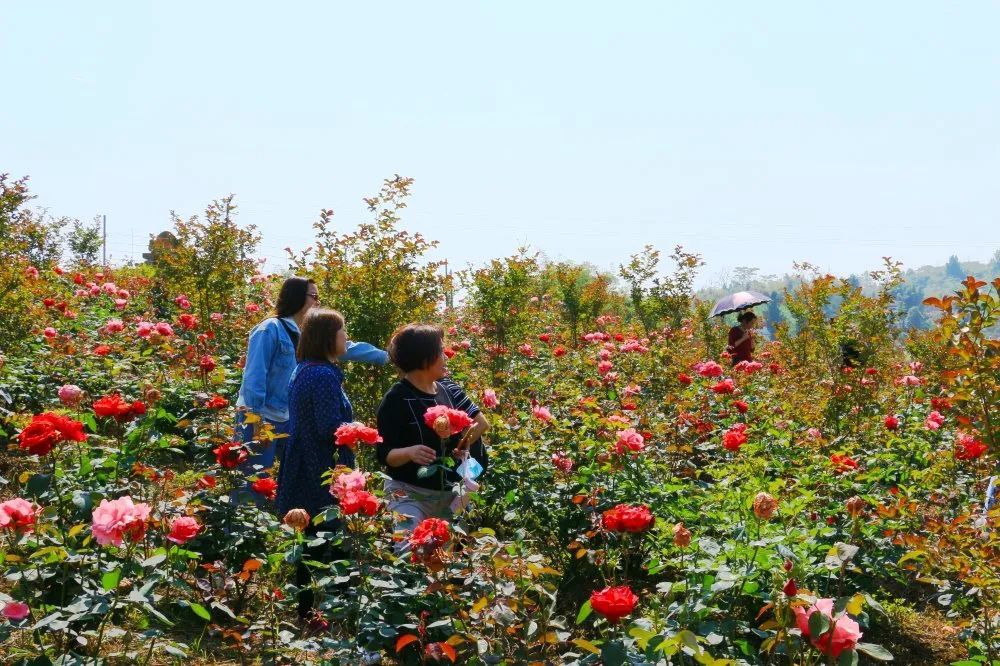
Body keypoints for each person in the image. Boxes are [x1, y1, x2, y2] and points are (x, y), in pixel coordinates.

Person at [234, 277, 387, 497]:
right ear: (296, 297)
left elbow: (347, 347)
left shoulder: (308, 332)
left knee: (290, 480)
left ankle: (283, 526)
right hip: (261, 418)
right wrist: (256, 422)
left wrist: (388, 356)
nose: (317, 302)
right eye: (313, 296)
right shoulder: (270, 329)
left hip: (288, 419)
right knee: (252, 482)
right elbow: (254, 379)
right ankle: (243, 530)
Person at [375, 324, 489, 551]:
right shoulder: (396, 398)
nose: (445, 356)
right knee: (408, 552)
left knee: (443, 560)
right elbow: (384, 454)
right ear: (423, 357)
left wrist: (461, 444)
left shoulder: (447, 389)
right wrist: (409, 452)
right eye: (439, 351)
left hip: (450, 495)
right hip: (408, 493)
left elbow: (480, 424)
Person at [274, 308, 355, 619]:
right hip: (321, 468)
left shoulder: (304, 368)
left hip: (303, 461)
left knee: (308, 540)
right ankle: (337, 610)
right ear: (327, 337)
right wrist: (357, 431)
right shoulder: (321, 375)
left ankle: (306, 611)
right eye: (342, 331)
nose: (346, 336)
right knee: (329, 538)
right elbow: (328, 427)